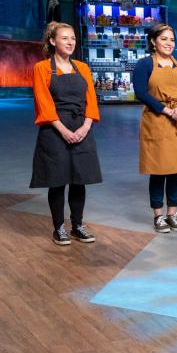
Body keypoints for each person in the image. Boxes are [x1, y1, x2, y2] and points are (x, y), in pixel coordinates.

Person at [30, 22, 102, 246]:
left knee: (79, 179)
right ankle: (59, 227)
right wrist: (63, 130)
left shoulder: (83, 67)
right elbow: (44, 103)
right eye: (64, 38)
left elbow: (91, 100)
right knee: (58, 179)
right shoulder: (41, 68)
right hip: (54, 130)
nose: (70, 42)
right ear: (52, 41)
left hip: (81, 127)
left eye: (72, 38)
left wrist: (85, 127)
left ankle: (77, 225)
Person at [132, 23, 177, 233]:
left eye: (171, 39)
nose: (169, 43)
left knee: (176, 169)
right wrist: (167, 110)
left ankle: (173, 213)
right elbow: (141, 92)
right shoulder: (144, 65)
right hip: (158, 120)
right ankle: (158, 216)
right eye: (164, 39)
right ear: (153, 41)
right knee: (159, 170)